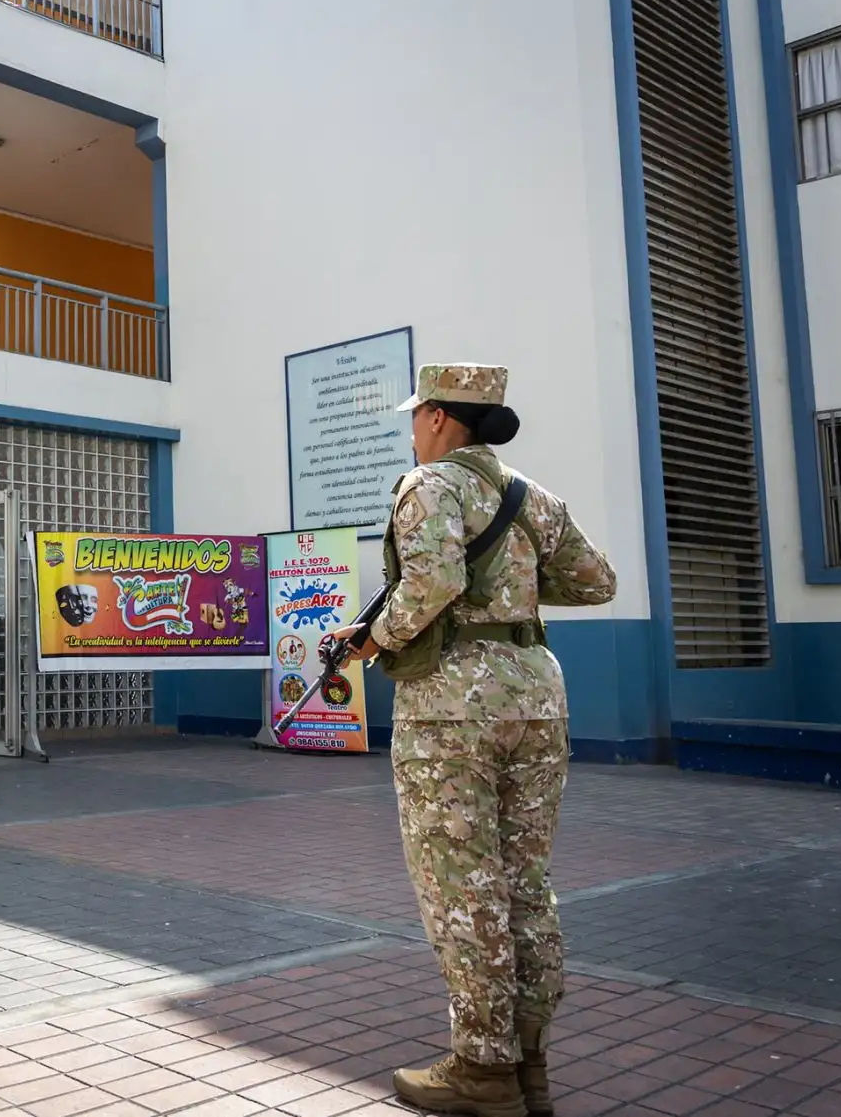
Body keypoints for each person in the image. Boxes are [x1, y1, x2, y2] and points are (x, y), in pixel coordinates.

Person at [332, 363, 616, 1117]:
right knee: (526, 883)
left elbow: (431, 584)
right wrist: (510, 589)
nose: (412, 429)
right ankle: (530, 1065)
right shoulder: (535, 498)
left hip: (453, 704)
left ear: (435, 416)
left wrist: (373, 639)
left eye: (415, 415)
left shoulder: (429, 484)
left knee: (463, 886)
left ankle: (484, 1069)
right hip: (537, 695)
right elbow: (597, 582)